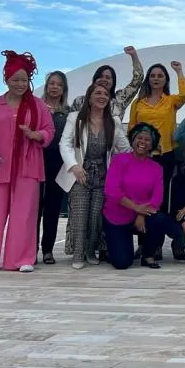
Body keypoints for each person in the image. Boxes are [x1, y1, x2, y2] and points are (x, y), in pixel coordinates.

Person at [0, 51, 55, 273]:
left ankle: (20, 259)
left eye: (24, 80)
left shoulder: (37, 105)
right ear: (6, 79)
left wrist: (35, 135)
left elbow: (49, 130)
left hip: (27, 167)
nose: (20, 84)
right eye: (15, 80)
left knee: (24, 215)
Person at [58, 83, 130, 269]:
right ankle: (78, 255)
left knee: (95, 217)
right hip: (79, 173)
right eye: (97, 93)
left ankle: (90, 251)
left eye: (105, 94)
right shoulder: (75, 118)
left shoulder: (113, 121)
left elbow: (124, 148)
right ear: (89, 97)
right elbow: (64, 144)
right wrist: (74, 166)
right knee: (80, 215)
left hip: (102, 176)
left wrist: (139, 158)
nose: (102, 96)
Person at [102, 123, 169, 270]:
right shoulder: (119, 160)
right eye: (139, 138)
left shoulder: (156, 168)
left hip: (142, 216)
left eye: (147, 140)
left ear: (153, 144)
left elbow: (157, 198)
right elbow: (112, 191)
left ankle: (148, 255)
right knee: (122, 263)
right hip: (116, 216)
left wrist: (141, 213)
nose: (143, 142)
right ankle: (112, 245)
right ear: (132, 140)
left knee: (159, 219)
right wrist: (136, 208)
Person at [128, 60, 185, 210]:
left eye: (160, 76)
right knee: (141, 193)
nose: (156, 78)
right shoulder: (138, 103)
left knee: (160, 195)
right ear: (148, 79)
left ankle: (157, 230)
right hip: (142, 155)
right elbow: (131, 127)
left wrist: (179, 72)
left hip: (165, 155)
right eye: (153, 75)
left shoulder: (171, 101)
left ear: (165, 80)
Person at [38, 70, 70, 264]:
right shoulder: (36, 107)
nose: (55, 87)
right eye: (52, 83)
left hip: (58, 164)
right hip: (37, 162)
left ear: (63, 88)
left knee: (52, 208)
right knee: (33, 209)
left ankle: (47, 249)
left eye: (59, 84)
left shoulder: (67, 113)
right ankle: (29, 249)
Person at [70, 46, 144, 119]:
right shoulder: (80, 101)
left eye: (108, 78)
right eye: (100, 76)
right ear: (95, 79)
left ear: (113, 82)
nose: (103, 80)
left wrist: (134, 56)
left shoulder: (120, 100)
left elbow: (137, 81)